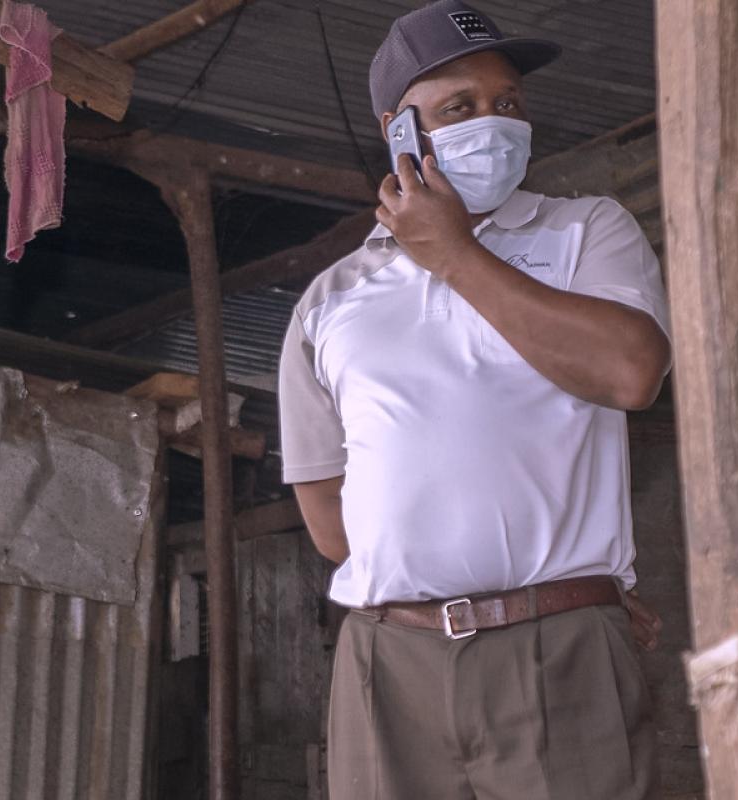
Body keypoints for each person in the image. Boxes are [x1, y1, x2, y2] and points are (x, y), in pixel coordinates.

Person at [278, 2, 674, 797]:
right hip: (388, 660)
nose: (494, 123)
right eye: (460, 106)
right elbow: (329, 517)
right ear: (399, 130)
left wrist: (455, 253)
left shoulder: (586, 233)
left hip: (556, 645)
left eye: (509, 104)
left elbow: (631, 371)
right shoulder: (332, 299)